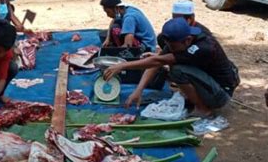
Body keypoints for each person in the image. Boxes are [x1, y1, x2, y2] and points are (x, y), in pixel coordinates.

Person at [103, 17, 240, 117]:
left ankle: (203, 109)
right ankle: (198, 98)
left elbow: (158, 61)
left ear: (187, 40)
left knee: (177, 71)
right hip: (210, 81)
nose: (170, 49)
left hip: (221, 93)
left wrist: (123, 66)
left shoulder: (203, 47)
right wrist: (139, 90)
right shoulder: (181, 39)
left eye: (172, 47)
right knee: (173, 66)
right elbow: (156, 62)